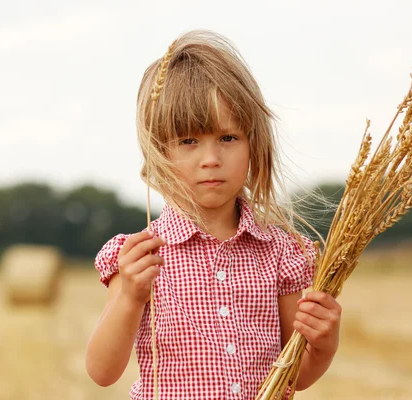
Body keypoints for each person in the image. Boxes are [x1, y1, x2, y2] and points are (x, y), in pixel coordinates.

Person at [85, 30, 342, 399]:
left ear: (254, 143)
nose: (211, 159)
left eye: (228, 138)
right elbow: (102, 371)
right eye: (189, 141)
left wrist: (324, 345)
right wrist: (130, 297)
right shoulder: (140, 257)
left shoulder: (284, 253)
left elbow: (294, 375)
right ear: (160, 150)